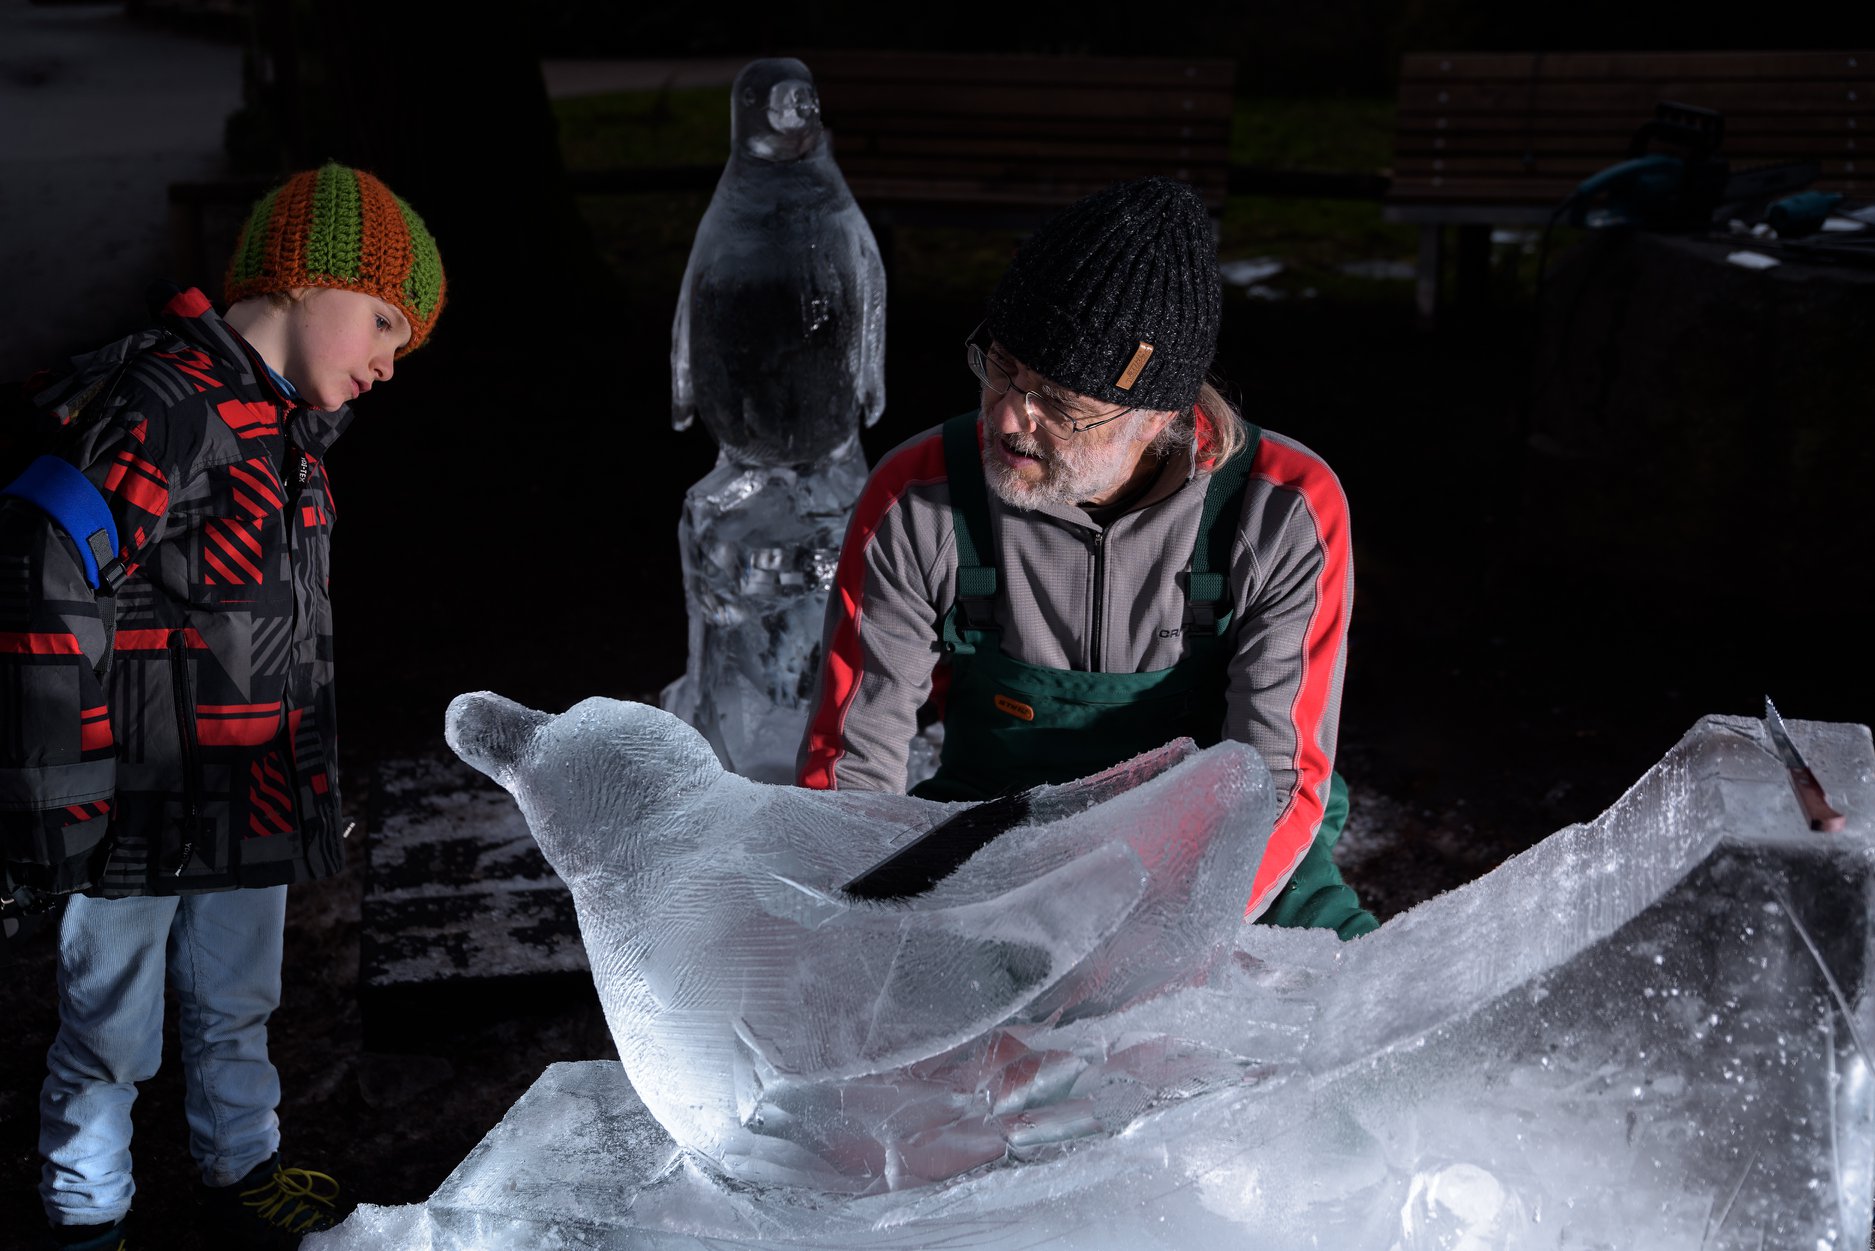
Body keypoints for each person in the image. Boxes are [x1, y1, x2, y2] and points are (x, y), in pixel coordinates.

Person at [0, 163, 445, 1250]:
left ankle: (241, 1168)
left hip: (247, 792)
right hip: (139, 804)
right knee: (109, 1026)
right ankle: (83, 1210)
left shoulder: (282, 433)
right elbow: (42, 567)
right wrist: (61, 790)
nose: (391, 360)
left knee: (237, 1000)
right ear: (299, 278)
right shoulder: (166, 404)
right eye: (384, 320)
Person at [796, 176, 1375, 939]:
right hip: (992, 830)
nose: (1007, 417)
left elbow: (1275, 782)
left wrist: (1153, 946)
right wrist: (858, 933)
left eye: (1059, 405)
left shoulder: (1283, 508)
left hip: (1215, 851)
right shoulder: (918, 496)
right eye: (1000, 367)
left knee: (1355, 997)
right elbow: (849, 774)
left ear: (1161, 417)